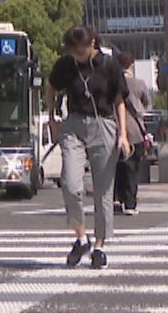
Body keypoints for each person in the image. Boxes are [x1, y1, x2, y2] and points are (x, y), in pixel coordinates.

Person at [47, 26, 132, 269]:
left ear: (92, 43)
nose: (76, 54)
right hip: (74, 124)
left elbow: (119, 101)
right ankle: (81, 237)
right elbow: (51, 86)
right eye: (72, 50)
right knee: (70, 183)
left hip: (103, 124)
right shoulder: (66, 64)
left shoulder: (109, 65)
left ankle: (99, 246)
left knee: (103, 191)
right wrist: (52, 118)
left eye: (80, 50)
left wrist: (123, 135)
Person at [113, 64, 151, 217]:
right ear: (132, 65)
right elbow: (146, 103)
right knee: (132, 170)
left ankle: (116, 199)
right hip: (134, 132)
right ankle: (130, 203)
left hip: (113, 130)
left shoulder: (111, 83)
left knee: (114, 168)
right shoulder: (139, 84)